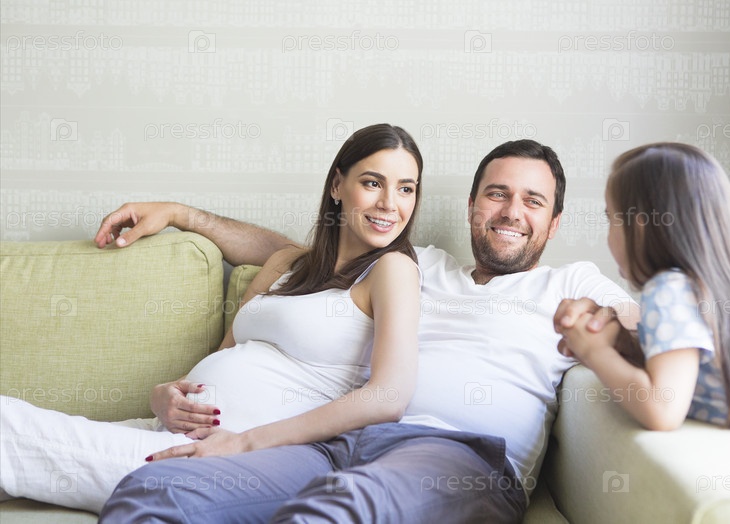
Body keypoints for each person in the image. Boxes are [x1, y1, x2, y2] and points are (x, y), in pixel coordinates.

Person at [97, 139, 639, 523]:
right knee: (152, 492)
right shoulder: (416, 263)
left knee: (334, 512)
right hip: (340, 445)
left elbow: (651, 332)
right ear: (473, 206)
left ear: (554, 223)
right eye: (497, 194)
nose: (511, 211)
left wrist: (616, 330)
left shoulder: (573, 284)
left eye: (533, 201)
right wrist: (182, 215)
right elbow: (293, 252)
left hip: (457, 458)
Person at [0, 123, 425, 512]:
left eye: (406, 189)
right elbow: (224, 356)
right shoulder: (289, 264)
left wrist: (244, 444)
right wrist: (164, 396)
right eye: (372, 183)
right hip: (170, 431)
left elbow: (388, 397)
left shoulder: (392, 270)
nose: (389, 204)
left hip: (227, 454)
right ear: (337, 185)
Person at [556, 143, 730, 455]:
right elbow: (684, 368)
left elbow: (662, 409)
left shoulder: (667, 288)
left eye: (611, 218)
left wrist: (594, 351)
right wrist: (627, 346)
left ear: (639, 227)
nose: (608, 235)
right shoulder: (705, 286)